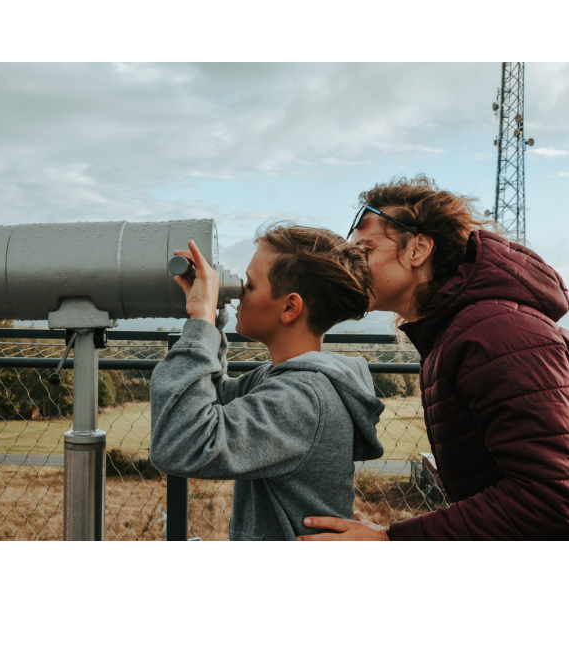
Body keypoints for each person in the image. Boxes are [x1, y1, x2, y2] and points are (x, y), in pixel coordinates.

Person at [298, 176, 569, 541]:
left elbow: (552, 498)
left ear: (417, 250)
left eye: (364, 251)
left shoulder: (495, 332)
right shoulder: (458, 332)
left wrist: (389, 541)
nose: (352, 266)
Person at [149, 225, 385, 541]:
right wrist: (213, 318)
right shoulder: (286, 379)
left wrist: (199, 324)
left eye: (249, 284)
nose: (239, 292)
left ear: (289, 308)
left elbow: (180, 445)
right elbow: (213, 400)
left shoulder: (303, 398)